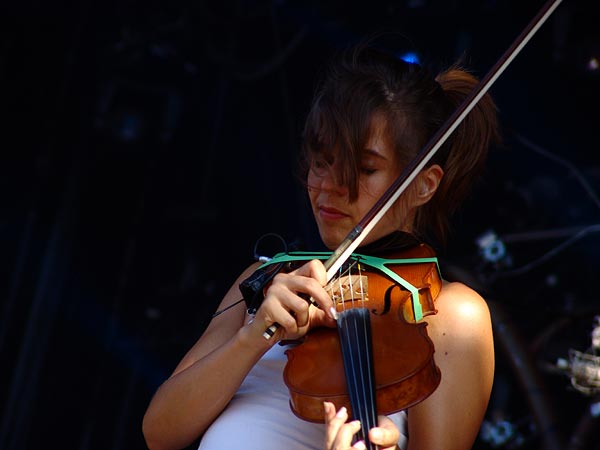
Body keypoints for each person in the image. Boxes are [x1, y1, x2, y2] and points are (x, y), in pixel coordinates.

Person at [142, 39, 499, 450]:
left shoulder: (451, 313)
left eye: (364, 168)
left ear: (424, 184)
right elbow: (160, 433)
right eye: (321, 160)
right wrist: (254, 337)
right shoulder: (269, 277)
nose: (330, 187)